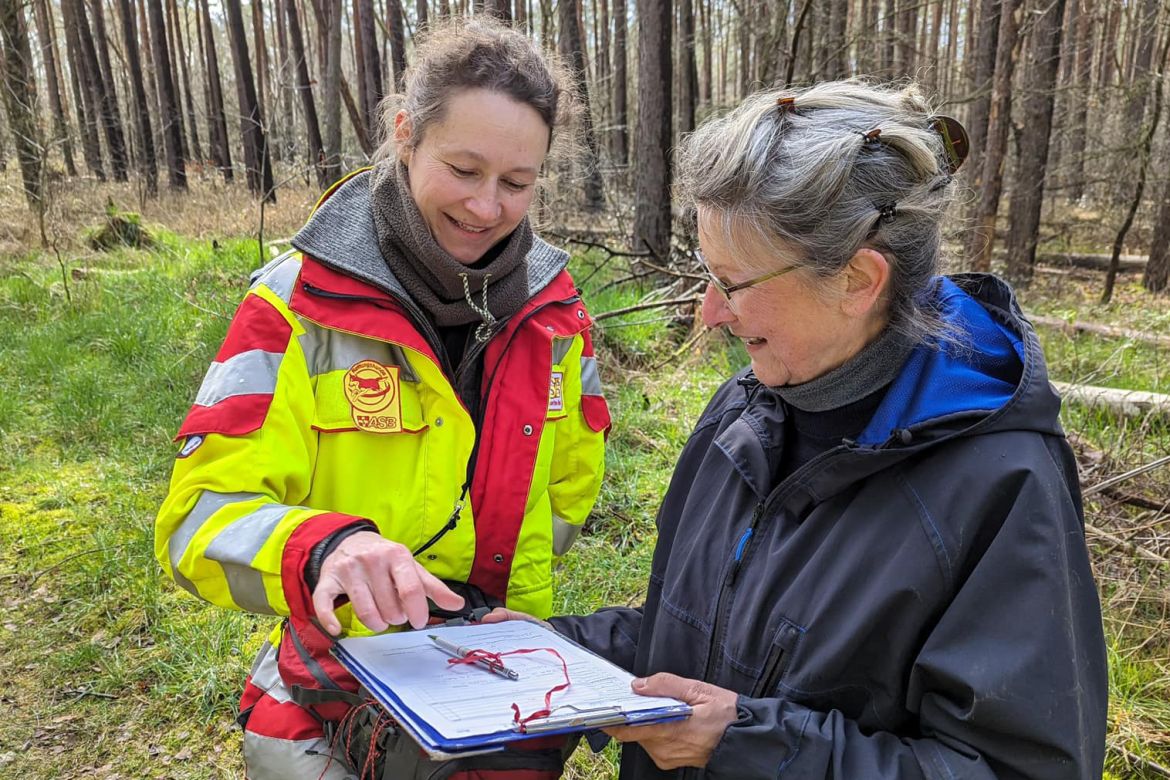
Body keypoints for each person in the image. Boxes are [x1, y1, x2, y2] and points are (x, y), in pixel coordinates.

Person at [488, 80, 1108, 778]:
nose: (710, 315)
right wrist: (556, 650)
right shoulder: (746, 411)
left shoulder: (999, 483)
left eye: (735, 284)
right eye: (706, 275)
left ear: (857, 280)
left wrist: (747, 744)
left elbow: (1013, 768)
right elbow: (693, 635)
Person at [154, 18, 610, 780]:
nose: (487, 207)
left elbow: (569, 493)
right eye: (463, 169)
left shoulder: (559, 318)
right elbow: (198, 521)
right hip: (336, 677)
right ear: (405, 134)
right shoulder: (293, 305)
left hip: (504, 690)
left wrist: (498, 621)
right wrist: (327, 549)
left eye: (517, 183)